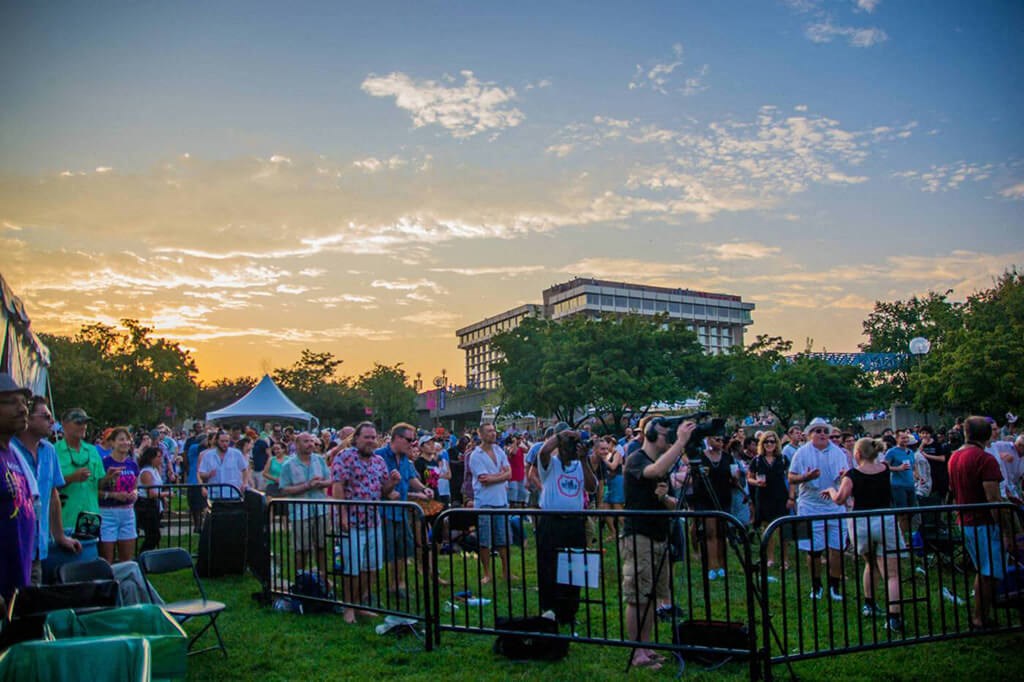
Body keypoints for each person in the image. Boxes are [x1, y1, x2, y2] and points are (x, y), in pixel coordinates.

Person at [622, 417, 696, 671]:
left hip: (660, 536)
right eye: (667, 436)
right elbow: (652, 473)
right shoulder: (636, 459)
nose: (671, 440)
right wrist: (682, 443)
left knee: (653, 595)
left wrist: (665, 497)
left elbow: (675, 503)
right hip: (639, 535)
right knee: (638, 596)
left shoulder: (662, 465)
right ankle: (635, 652)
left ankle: (647, 646)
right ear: (651, 435)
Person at [821, 437, 907, 633]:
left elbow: (840, 499)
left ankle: (869, 603)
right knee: (892, 573)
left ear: (857, 454)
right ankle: (895, 616)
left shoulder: (851, 475)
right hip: (885, 520)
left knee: (870, 563)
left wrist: (832, 489)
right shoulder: (885, 469)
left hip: (862, 522)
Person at [331, 422, 399, 623]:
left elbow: (383, 491)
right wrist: (342, 515)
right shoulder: (344, 457)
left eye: (373, 437)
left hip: (373, 521)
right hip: (351, 521)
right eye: (367, 437)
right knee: (352, 567)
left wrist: (393, 483)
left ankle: (360, 603)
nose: (371, 441)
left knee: (371, 567)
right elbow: (338, 487)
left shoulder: (379, 461)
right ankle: (348, 606)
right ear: (356, 439)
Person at [948, 416, 1010, 630]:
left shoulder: (955, 457)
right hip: (983, 522)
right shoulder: (984, 459)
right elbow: (993, 499)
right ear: (986, 435)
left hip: (965, 520)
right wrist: (1004, 529)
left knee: (984, 571)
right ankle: (979, 618)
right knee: (990, 573)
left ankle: (981, 616)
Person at [12, 395, 81, 584]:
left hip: (36, 552)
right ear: (29, 418)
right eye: (46, 416)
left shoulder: (49, 451)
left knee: (32, 607)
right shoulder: (8, 450)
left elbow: (52, 494)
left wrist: (59, 536)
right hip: (11, 548)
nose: (52, 421)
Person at [534, 425, 598, 625]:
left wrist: (584, 459)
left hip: (574, 522)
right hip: (552, 521)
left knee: (574, 568)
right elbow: (543, 451)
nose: (570, 449)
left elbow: (592, 487)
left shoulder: (580, 465)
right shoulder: (550, 464)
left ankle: (569, 612)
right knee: (548, 566)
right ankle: (549, 609)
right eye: (567, 446)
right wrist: (562, 436)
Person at [788, 417, 848, 601]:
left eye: (825, 431)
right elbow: (791, 477)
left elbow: (846, 475)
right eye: (818, 431)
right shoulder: (801, 452)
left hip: (834, 505)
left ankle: (834, 586)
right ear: (810, 434)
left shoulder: (838, 452)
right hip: (810, 506)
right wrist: (806, 476)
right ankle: (816, 586)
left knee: (836, 548)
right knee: (814, 550)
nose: (822, 434)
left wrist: (843, 476)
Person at [376, 422, 433, 596]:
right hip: (384, 512)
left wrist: (424, 489)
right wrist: (387, 490)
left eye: (414, 440)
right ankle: (390, 584)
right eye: (409, 440)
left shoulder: (405, 460)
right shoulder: (379, 456)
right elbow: (373, 482)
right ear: (397, 438)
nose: (412, 443)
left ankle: (398, 583)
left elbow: (411, 479)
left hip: (401, 511)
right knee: (390, 551)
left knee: (402, 550)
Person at [0, 375, 36, 605]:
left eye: (24, 402)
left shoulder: (13, 454)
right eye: (12, 402)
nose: (22, 409)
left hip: (15, 589)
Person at [279, 431, 332, 573]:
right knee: (302, 549)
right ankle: (300, 579)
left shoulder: (319, 460)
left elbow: (329, 480)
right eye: (306, 441)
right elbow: (284, 489)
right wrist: (306, 486)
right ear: (296, 444)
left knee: (321, 546)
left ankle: (322, 578)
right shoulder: (288, 465)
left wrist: (320, 484)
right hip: (300, 513)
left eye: (311, 441)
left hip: (320, 510)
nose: (310, 444)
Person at [469, 422, 515, 584]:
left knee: (504, 539)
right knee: (485, 540)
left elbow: (509, 474)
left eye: (494, 431)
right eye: (489, 431)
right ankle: (487, 573)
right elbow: (484, 480)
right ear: (480, 434)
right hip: (484, 502)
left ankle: (506, 571)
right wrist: (501, 476)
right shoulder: (476, 455)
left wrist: (496, 477)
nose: (493, 433)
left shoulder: (499, 450)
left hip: (501, 500)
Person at [689, 434, 738, 580]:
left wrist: (736, 477)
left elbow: (733, 478)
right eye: (717, 439)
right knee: (710, 533)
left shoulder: (728, 457)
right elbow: (693, 476)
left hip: (723, 498)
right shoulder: (701, 457)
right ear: (709, 440)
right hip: (705, 499)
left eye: (722, 440)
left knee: (722, 533)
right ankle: (712, 566)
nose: (720, 442)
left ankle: (723, 566)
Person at [748, 431, 792, 568]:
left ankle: (785, 560)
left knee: (783, 530)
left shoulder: (783, 459)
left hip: (780, 496)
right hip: (763, 496)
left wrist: (791, 497)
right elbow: (749, 478)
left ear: (776, 443)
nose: (769, 444)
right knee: (767, 529)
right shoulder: (756, 460)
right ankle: (770, 558)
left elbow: (791, 479)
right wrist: (756, 483)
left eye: (772, 441)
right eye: (766, 441)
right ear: (762, 443)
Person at [55, 408, 105, 529]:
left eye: (85, 423)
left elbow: (99, 484)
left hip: (91, 519)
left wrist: (109, 478)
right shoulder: (54, 451)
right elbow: (48, 487)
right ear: (64, 424)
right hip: (65, 521)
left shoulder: (92, 450)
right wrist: (72, 478)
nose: (83, 426)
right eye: (78, 423)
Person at [97, 426, 140, 563]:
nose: (125, 443)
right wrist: (114, 495)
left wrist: (134, 494)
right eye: (121, 439)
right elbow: (95, 490)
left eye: (128, 440)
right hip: (107, 513)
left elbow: (135, 487)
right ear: (113, 443)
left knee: (127, 560)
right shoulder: (104, 464)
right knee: (107, 559)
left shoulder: (132, 464)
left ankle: (125, 583)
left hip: (127, 513)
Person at [136, 446, 170, 553]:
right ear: (151, 458)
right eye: (158, 457)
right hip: (145, 506)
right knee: (153, 535)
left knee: (154, 535)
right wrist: (166, 494)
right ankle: (142, 557)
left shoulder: (154, 470)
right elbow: (151, 493)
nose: (160, 459)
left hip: (153, 505)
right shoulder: (147, 472)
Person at [882, 429, 917, 532]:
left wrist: (917, 475)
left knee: (912, 512)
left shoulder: (910, 452)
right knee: (902, 513)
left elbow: (913, 466)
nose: (905, 440)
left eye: (906, 438)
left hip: (910, 485)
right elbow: (885, 467)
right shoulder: (891, 452)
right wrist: (898, 468)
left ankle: (909, 534)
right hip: (898, 486)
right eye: (903, 438)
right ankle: (902, 536)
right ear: (897, 439)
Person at [198, 430, 249, 499]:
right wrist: (208, 474)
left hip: (233, 493)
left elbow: (245, 469)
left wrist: (245, 483)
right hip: (215, 494)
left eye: (227, 441)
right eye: (222, 441)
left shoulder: (236, 453)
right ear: (217, 441)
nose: (224, 444)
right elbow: (201, 473)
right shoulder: (208, 455)